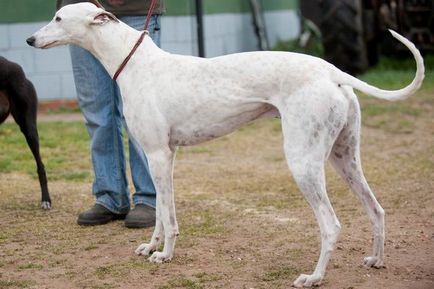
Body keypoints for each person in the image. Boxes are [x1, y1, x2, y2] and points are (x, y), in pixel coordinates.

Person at [56, 0, 165, 228]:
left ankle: (150, 198)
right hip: (78, 13)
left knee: (142, 112)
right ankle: (110, 196)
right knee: (98, 113)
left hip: (134, 8)